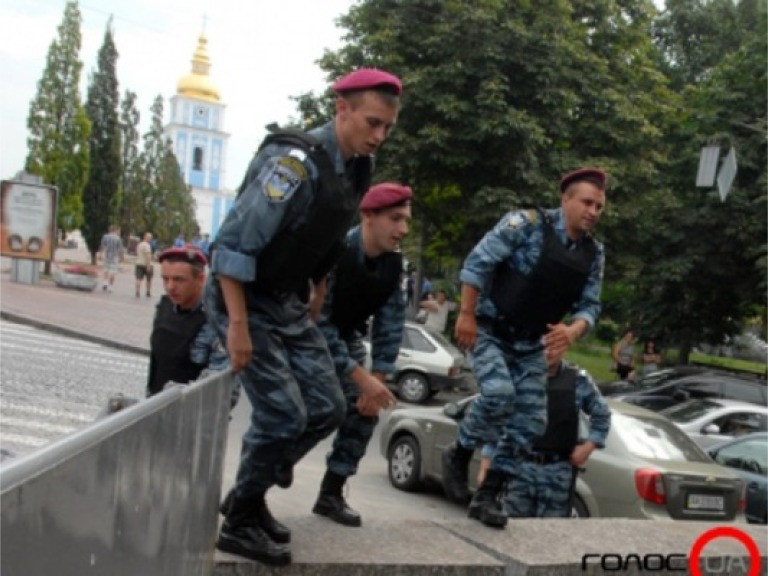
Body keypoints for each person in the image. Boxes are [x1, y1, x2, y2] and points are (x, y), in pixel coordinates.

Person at [205, 68, 402, 566]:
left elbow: (326, 234)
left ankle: (248, 494)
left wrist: (317, 288)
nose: (378, 136)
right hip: (244, 298)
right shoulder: (292, 163)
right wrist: (237, 325)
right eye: (372, 122)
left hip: (288, 300)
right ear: (342, 109)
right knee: (282, 416)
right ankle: (240, 521)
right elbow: (232, 245)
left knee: (327, 406)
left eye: (387, 128)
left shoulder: (356, 167)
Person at [442, 167, 607, 528]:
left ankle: (488, 496)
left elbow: (590, 306)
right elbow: (478, 263)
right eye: (586, 202)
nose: (593, 211)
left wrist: (573, 330)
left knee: (532, 420)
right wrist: (466, 313)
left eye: (599, 206)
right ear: (565, 200)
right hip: (488, 330)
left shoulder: (593, 254)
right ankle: (459, 452)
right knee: (500, 395)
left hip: (530, 343)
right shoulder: (528, 224)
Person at [310, 182, 411, 527]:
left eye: (406, 220)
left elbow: (390, 325)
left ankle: (331, 493)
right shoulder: (335, 252)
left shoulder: (394, 265)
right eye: (396, 219)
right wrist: (360, 377)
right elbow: (318, 326)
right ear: (369, 216)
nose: (403, 230)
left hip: (346, 335)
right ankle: (250, 493)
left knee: (366, 411)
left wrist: (376, 380)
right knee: (310, 411)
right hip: (303, 335)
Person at [146, 245, 239, 409]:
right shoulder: (164, 307)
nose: (170, 287)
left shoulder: (217, 320)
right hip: (156, 410)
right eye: (165, 279)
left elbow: (222, 388)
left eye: (178, 279)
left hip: (195, 419)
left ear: (201, 279)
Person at [99, 225, 122, 292]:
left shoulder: (105, 236)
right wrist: (121, 258)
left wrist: (100, 254)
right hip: (114, 257)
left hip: (107, 256)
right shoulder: (118, 238)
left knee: (106, 270)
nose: (119, 232)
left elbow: (102, 246)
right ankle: (110, 286)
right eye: (119, 231)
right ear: (115, 230)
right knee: (113, 272)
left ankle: (105, 282)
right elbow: (119, 249)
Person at [134, 232, 154, 298]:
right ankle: (148, 292)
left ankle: (137, 292)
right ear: (145, 237)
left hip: (139, 263)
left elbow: (137, 253)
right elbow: (148, 256)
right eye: (149, 237)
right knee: (149, 279)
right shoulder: (147, 245)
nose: (150, 239)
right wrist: (148, 266)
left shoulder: (139, 244)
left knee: (138, 278)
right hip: (146, 264)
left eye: (151, 238)